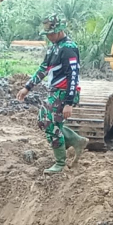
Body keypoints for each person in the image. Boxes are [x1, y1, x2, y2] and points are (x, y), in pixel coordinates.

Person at [16, 14, 88, 174]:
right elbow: (43, 68)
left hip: (64, 93)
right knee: (50, 123)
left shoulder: (68, 48)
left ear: (60, 30)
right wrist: (28, 87)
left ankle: (60, 163)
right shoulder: (54, 47)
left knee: (47, 122)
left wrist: (69, 102)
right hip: (55, 92)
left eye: (51, 33)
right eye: (47, 33)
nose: (48, 36)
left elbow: (73, 76)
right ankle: (77, 141)